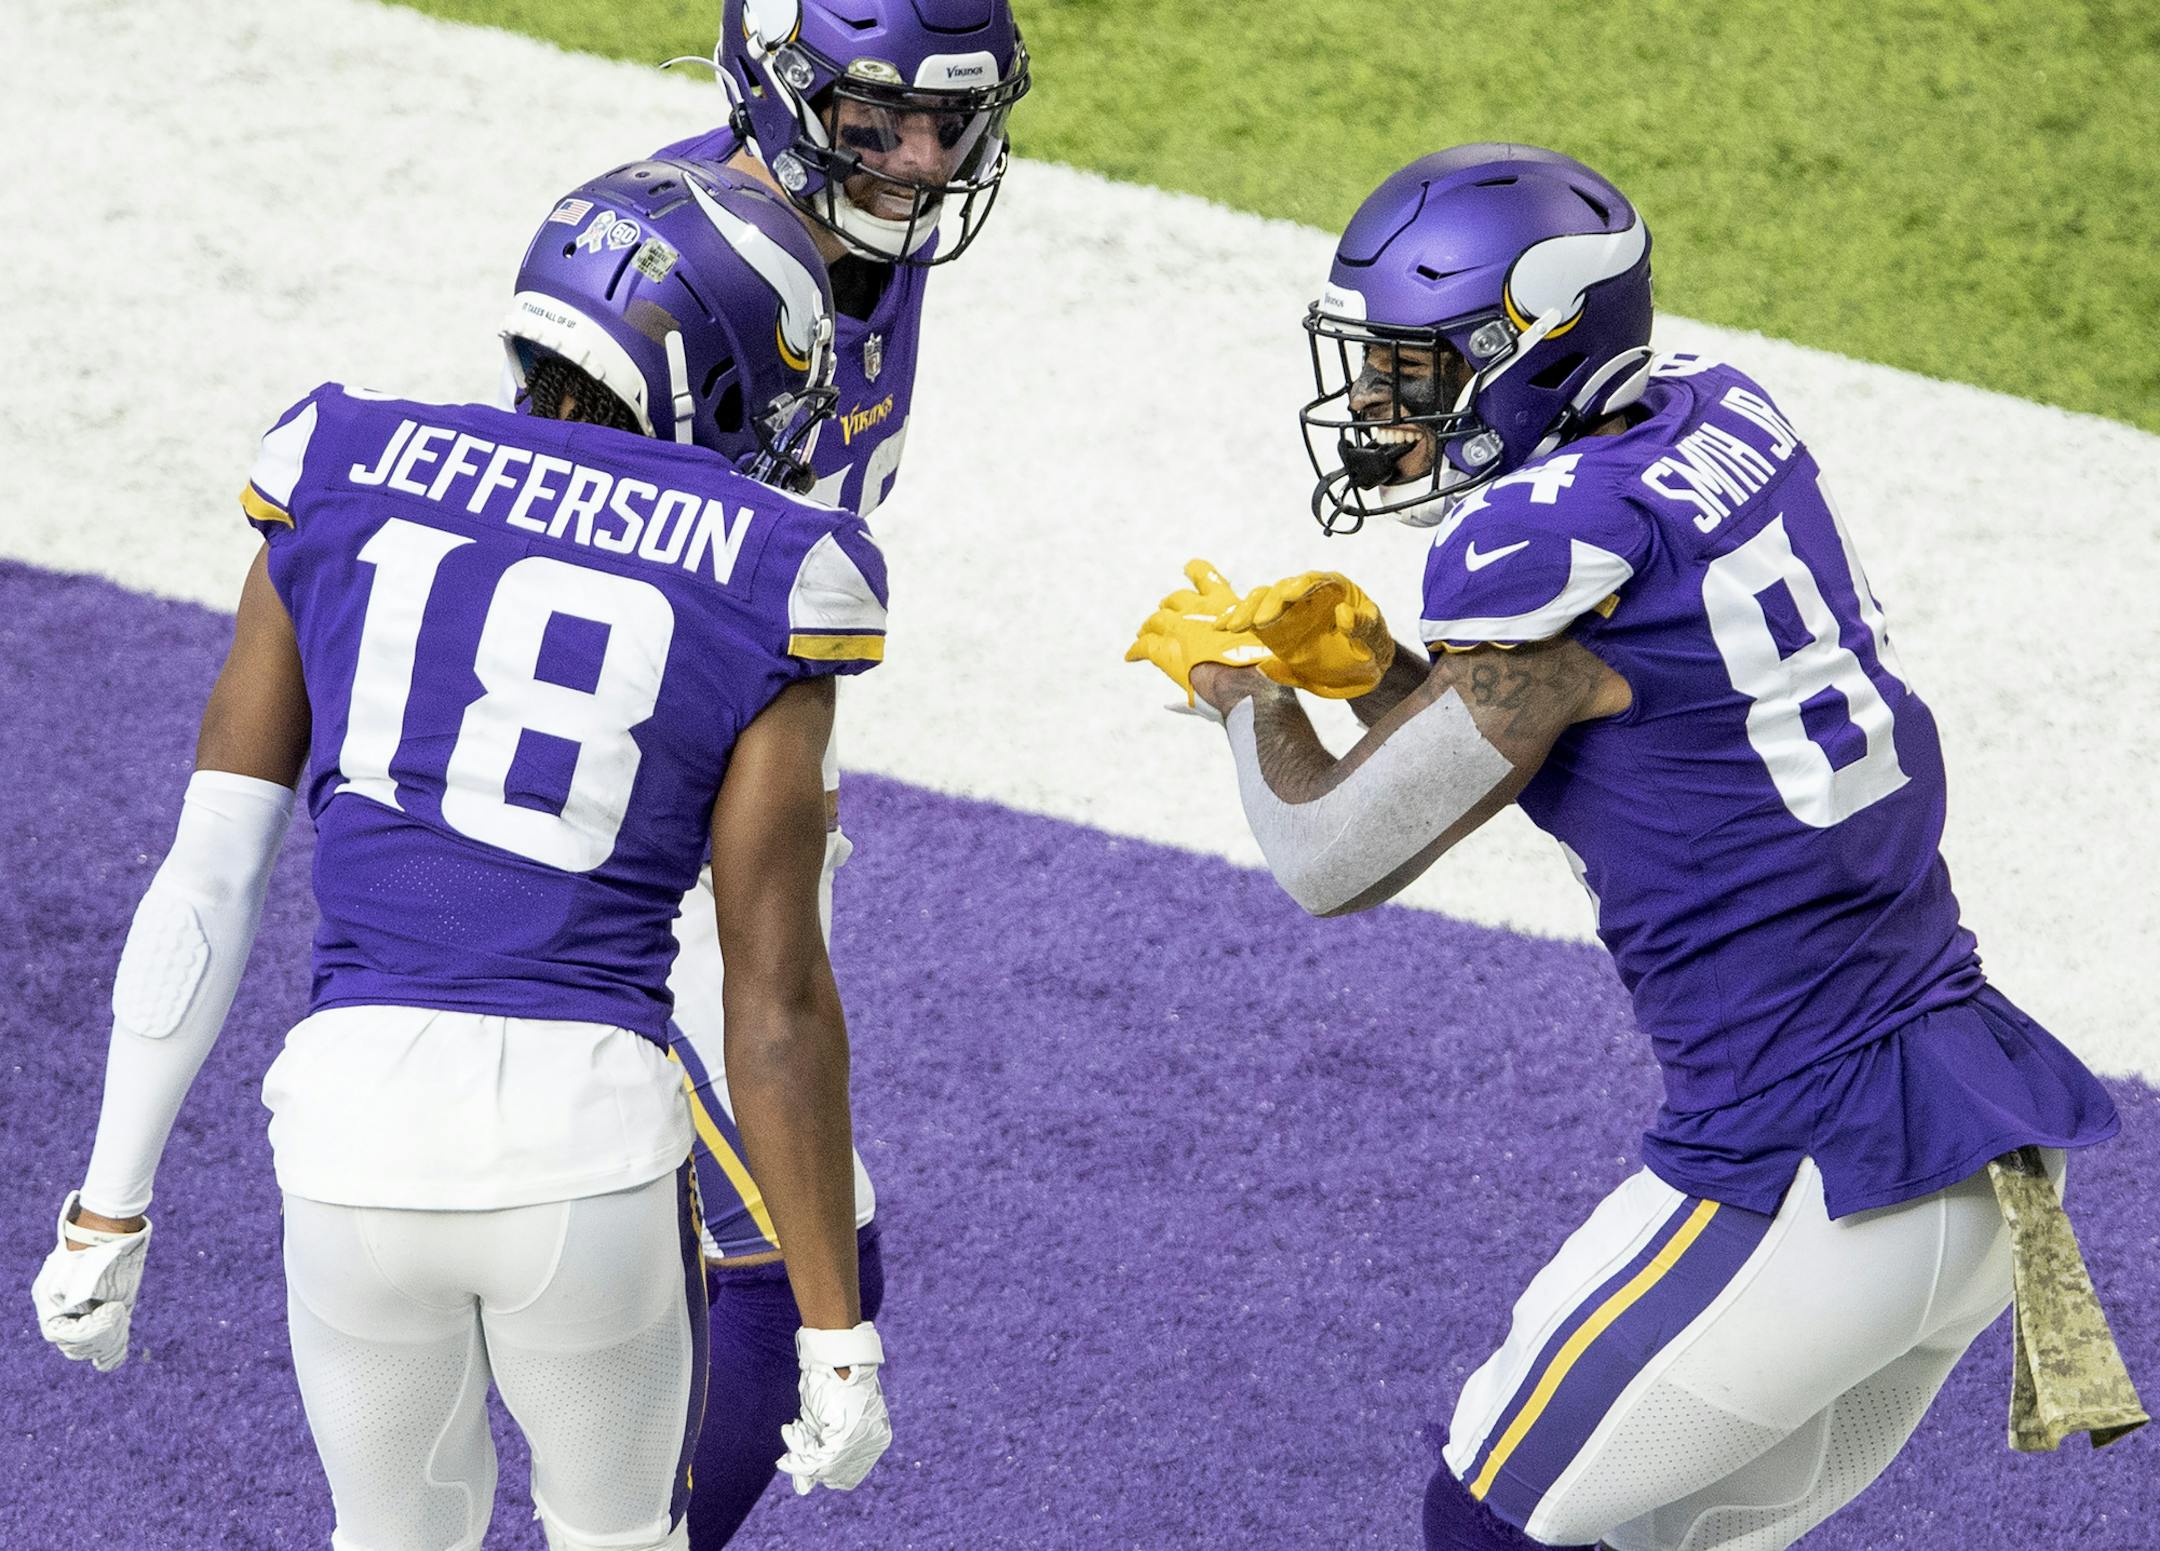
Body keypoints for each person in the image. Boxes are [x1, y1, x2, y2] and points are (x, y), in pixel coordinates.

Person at [1126, 143, 2122, 1551]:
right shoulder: (1713, 419)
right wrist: (1378, 673)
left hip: (1815, 1164)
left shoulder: (1545, 547)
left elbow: (1325, 855)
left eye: (1414, 368)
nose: (1378, 404)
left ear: (1530, 350)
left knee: (1487, 1516)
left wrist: (1243, 696)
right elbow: (1614, 729)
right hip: (1979, 1134)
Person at [32, 158, 893, 1551]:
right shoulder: (777, 567)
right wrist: (836, 1334)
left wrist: (108, 1204)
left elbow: (210, 871)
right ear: (722, 373)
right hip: (584, 1143)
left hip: (349, 1129)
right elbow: (773, 994)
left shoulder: (334, 463)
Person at [643, 3, 1028, 1542]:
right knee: (795, 1250)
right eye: (875, 119)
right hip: (634, 828)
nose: (921, 160)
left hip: (744, 786)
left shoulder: (873, 236)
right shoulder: (682, 275)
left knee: (659, 1248)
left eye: (951, 121)